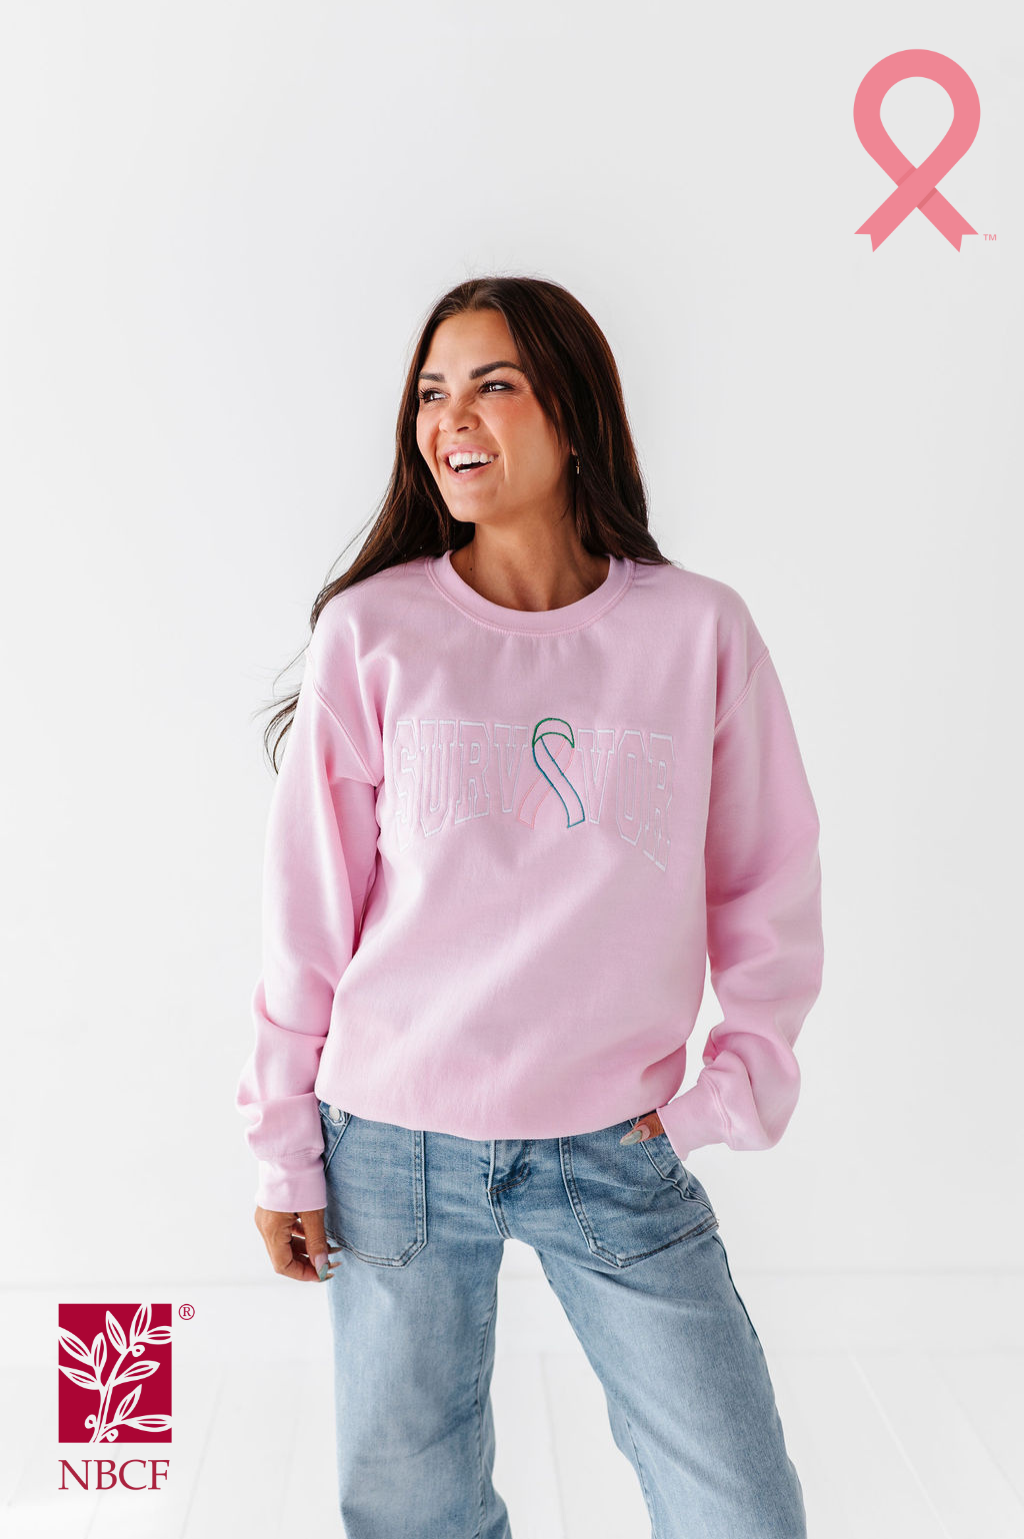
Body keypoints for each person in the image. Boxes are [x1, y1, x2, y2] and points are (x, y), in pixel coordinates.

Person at [235, 275, 823, 1538]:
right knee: (412, 1513)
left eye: (492, 384)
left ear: (572, 411)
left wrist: (728, 1090)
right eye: (431, 393)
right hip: (390, 1141)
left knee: (740, 1509)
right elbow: (307, 912)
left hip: (616, 1142)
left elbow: (766, 881)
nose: (451, 418)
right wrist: (284, 1142)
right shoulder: (373, 633)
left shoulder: (697, 631)